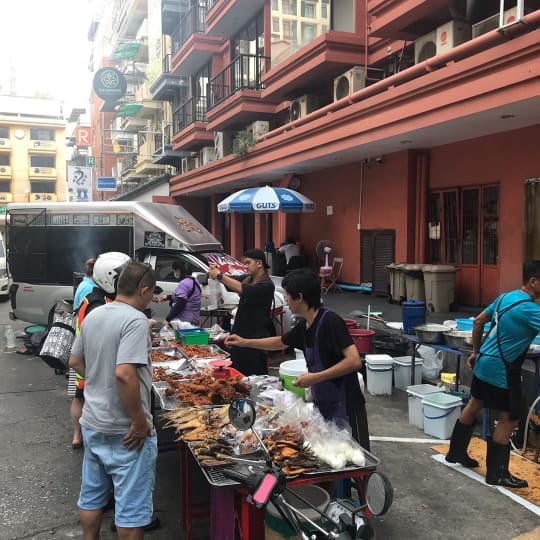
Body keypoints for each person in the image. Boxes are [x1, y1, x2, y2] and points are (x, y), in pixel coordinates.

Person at [225, 267, 370, 450]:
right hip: (323, 405)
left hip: (347, 406)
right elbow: (280, 342)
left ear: (299, 297)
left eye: (287, 295)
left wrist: (314, 377)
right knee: (331, 456)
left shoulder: (330, 322)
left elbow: (354, 360)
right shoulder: (305, 325)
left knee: (357, 457)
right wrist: (244, 341)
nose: (285, 299)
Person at [69, 261, 158, 540]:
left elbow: (74, 360)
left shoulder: (95, 315)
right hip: (126, 431)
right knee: (131, 509)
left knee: (92, 495)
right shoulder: (135, 320)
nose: (152, 299)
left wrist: (98, 380)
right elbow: (124, 374)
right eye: (152, 293)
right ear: (144, 291)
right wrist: (139, 421)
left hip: (93, 423)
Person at [445, 260, 540, 489]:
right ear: (533, 281)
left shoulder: (505, 297)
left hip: (484, 362)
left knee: (475, 403)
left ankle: (455, 453)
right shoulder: (531, 310)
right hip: (502, 369)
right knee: (509, 417)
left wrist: (476, 352)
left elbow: (478, 322)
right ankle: (497, 474)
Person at [70, 252, 132, 450]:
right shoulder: (97, 304)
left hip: (87, 359)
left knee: (81, 396)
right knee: (81, 397)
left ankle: (80, 435)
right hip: (88, 361)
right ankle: (82, 435)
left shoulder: (93, 296)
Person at [208, 248, 275, 376]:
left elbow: (242, 289)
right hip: (240, 336)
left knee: (254, 376)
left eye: (248, 263)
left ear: (259, 263)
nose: (245, 267)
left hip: (255, 339)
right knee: (237, 374)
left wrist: (219, 275)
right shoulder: (248, 278)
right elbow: (232, 281)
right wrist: (219, 271)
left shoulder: (266, 285)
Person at [159, 261, 202, 327]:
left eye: (175, 271)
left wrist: (168, 319)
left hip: (184, 321)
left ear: (179, 270)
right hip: (194, 318)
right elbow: (186, 296)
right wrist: (168, 297)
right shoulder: (195, 281)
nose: (175, 273)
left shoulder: (183, 283)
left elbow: (181, 303)